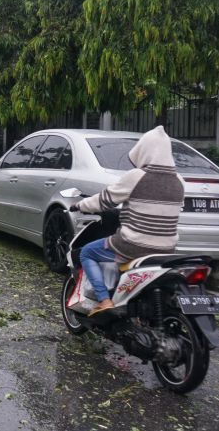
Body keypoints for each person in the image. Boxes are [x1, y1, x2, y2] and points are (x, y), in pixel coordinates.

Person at [70, 126, 183, 315]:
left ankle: (104, 300)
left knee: (87, 253)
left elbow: (104, 200)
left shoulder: (137, 176)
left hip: (133, 245)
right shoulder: (179, 180)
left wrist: (80, 205)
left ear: (145, 151)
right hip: (167, 249)